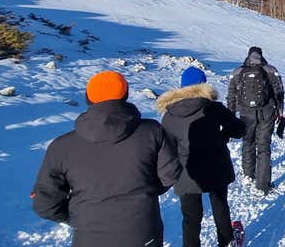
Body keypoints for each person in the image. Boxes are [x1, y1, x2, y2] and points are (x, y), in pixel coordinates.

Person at [32, 71, 180, 247]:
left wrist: (76, 216)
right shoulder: (152, 132)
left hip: (89, 236)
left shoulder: (62, 146)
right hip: (143, 233)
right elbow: (170, 174)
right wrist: (146, 189)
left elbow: (45, 203)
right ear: (125, 94)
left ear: (88, 98)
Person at [156, 67, 246, 247]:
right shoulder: (213, 108)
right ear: (203, 85)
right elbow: (239, 129)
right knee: (220, 207)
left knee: (191, 218)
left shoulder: (169, 115)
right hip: (216, 167)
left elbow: (167, 147)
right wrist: (222, 136)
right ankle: (227, 242)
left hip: (186, 171)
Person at [226, 46, 285, 194]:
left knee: (248, 143)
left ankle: (248, 175)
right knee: (264, 146)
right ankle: (263, 185)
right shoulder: (270, 70)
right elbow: (279, 91)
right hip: (267, 112)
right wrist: (280, 111)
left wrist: (231, 115)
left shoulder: (238, 72)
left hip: (246, 113)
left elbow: (231, 94)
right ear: (261, 56)